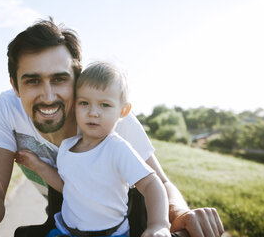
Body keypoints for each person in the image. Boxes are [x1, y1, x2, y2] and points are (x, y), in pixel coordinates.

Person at [0, 18, 224, 237]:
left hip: (123, 207)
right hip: (68, 206)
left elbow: (159, 181)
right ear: (15, 85)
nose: (48, 96)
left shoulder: (108, 119)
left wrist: (177, 213)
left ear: (77, 79)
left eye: (59, 79)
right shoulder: (6, 108)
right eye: (32, 81)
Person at [15, 62, 171, 237]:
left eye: (104, 105)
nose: (93, 112)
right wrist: (37, 165)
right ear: (74, 105)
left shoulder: (116, 148)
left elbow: (151, 183)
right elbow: (67, 186)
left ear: (123, 110)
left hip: (111, 234)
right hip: (66, 231)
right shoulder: (67, 146)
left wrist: (158, 224)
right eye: (84, 103)